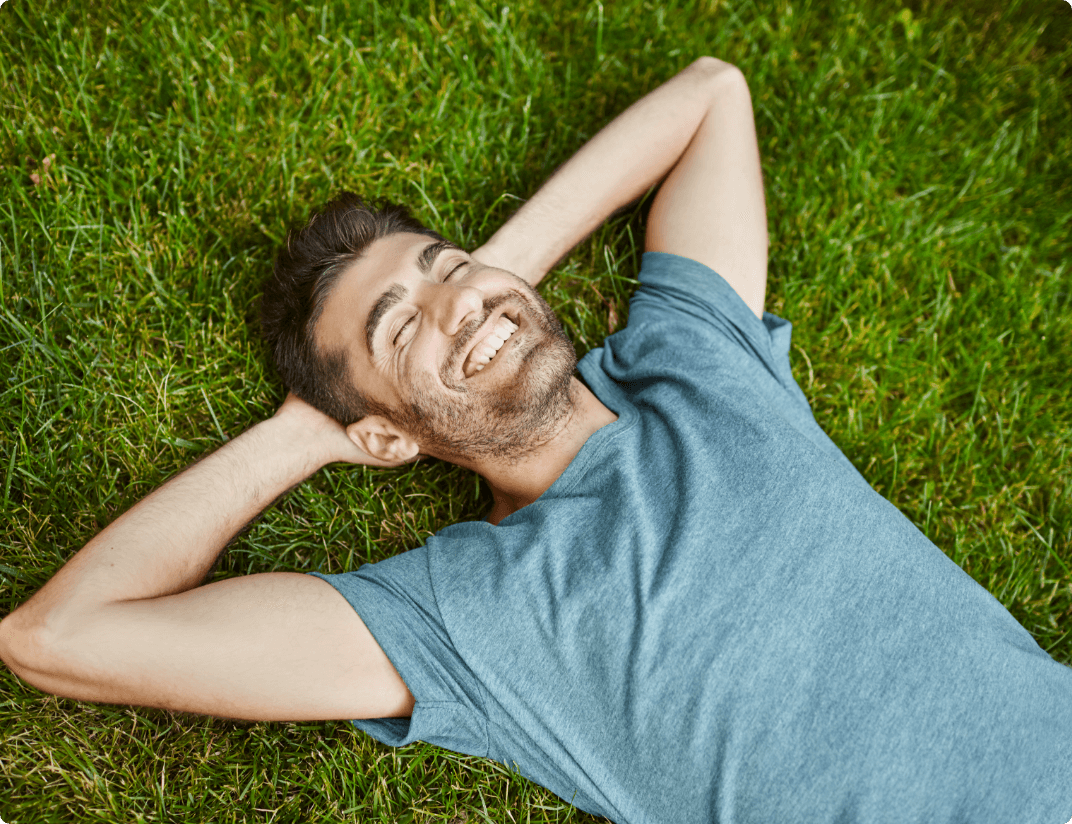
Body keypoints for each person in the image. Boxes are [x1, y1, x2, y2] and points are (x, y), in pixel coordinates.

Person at [0, 57, 1069, 824]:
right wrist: (307, 435)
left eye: (445, 264)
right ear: (382, 433)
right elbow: (57, 637)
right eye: (398, 330)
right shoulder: (471, 617)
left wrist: (484, 287)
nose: (451, 305)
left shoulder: (692, 364)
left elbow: (710, 96)